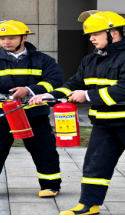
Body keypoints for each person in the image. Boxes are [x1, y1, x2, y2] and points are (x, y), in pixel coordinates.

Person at [29, 11, 125, 215]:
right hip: (105, 124)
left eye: (96, 33)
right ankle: (88, 205)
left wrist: (88, 96)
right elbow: (74, 84)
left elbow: (123, 89)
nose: (91, 38)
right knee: (95, 166)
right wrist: (50, 95)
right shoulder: (90, 60)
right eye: (89, 34)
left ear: (114, 32)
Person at [0, 20, 64, 199]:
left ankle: (50, 185)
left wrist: (30, 90)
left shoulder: (43, 60)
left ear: (24, 38)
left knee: (44, 149)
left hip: (33, 112)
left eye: (11, 38)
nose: (6, 42)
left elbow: (55, 81)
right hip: (0, 113)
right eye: (2, 38)